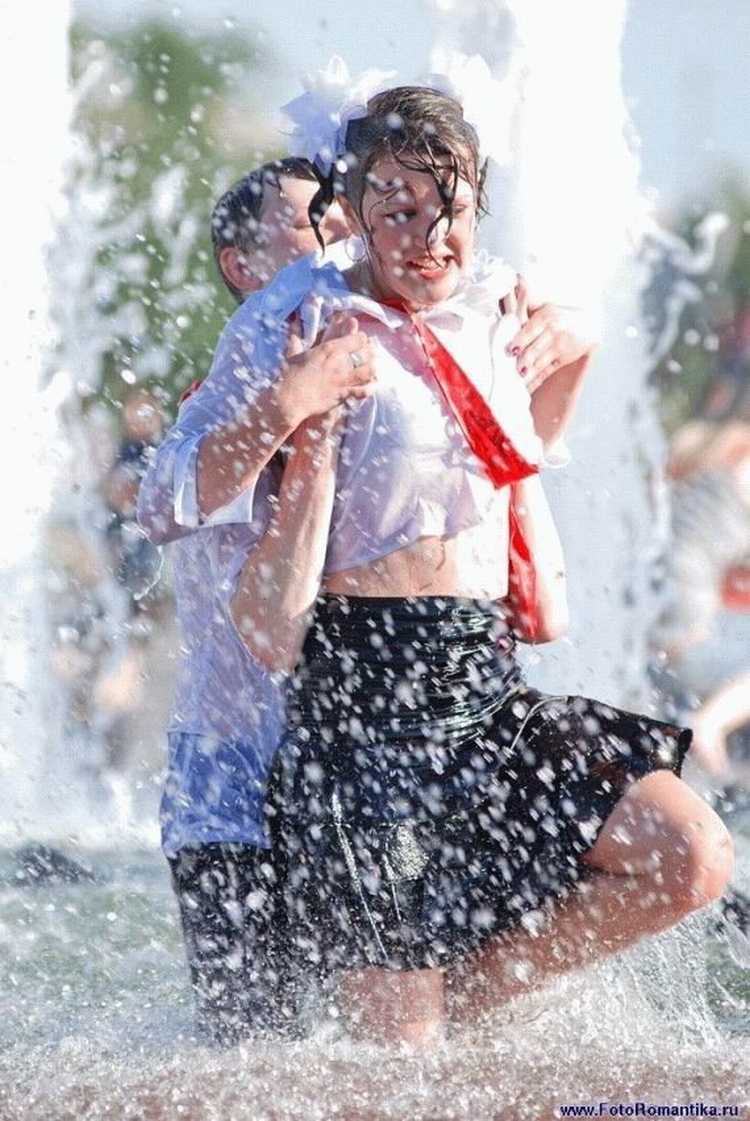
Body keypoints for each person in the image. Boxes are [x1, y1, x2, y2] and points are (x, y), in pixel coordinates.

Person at [227, 83, 734, 1045]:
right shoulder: (321, 332)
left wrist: (580, 347)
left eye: (450, 208)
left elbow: (527, 455)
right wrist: (310, 435)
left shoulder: (497, 317)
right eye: (398, 210)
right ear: (355, 216)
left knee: (693, 855)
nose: (429, 236)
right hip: (363, 717)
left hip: (486, 690)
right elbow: (266, 626)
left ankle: (453, 1002)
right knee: (401, 1074)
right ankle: (413, 1018)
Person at [137, 157, 362, 1044]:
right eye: (312, 220)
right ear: (244, 265)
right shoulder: (222, 394)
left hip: (352, 766)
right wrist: (289, 401)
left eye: (347, 215)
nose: (339, 232)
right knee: (247, 1057)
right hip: (230, 777)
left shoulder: (374, 378)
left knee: (377, 1053)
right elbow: (165, 503)